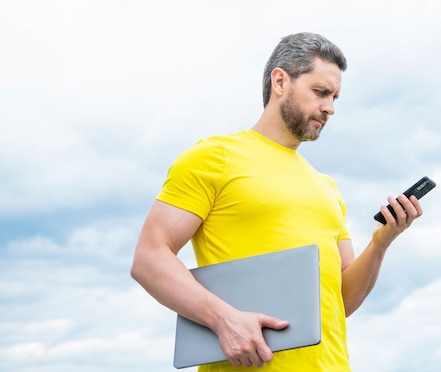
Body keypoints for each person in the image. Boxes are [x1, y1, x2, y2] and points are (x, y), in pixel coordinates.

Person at [130, 32, 423, 371]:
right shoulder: (214, 157)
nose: (329, 107)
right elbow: (149, 258)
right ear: (280, 81)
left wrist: (381, 242)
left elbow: (341, 301)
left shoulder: (326, 187)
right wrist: (224, 320)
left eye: (335, 98)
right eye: (320, 92)